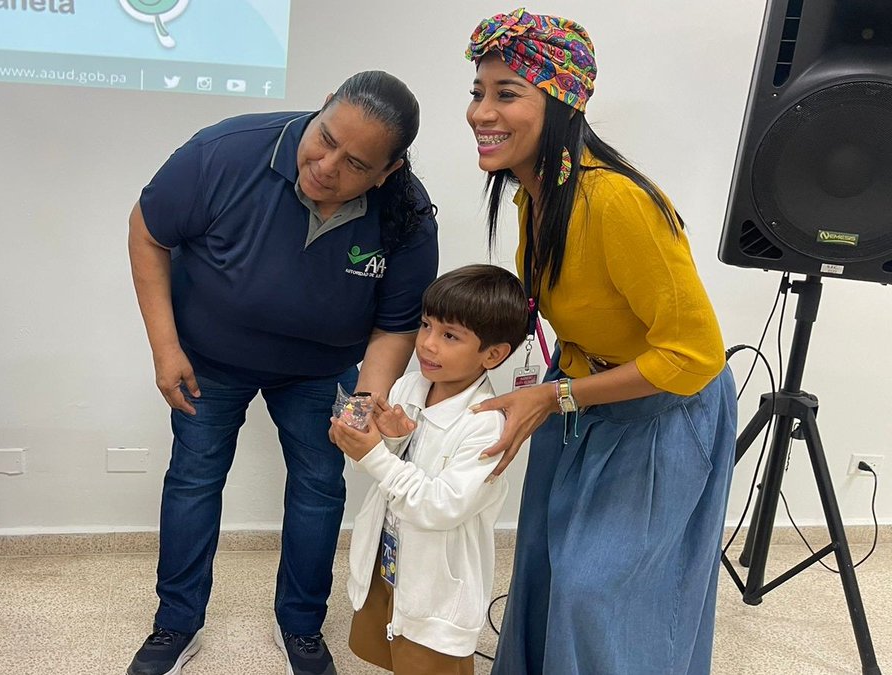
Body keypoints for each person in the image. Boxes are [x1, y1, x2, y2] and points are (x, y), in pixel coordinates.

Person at [127, 71, 440, 675]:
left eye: (354, 164)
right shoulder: (225, 152)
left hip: (320, 369)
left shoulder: (406, 216)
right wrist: (165, 347)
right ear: (322, 106)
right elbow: (147, 230)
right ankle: (177, 622)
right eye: (323, 139)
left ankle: (300, 625)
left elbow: (397, 324)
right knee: (193, 480)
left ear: (387, 172)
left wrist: (365, 403)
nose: (325, 167)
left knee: (321, 487)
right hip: (210, 359)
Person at [458, 9, 738, 674]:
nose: (479, 112)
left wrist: (558, 398)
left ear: (561, 101)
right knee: (545, 564)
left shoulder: (617, 203)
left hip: (661, 407)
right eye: (477, 92)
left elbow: (691, 356)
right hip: (581, 389)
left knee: (596, 590)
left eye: (506, 93)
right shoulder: (534, 193)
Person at [329, 264, 528, 675]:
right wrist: (389, 440)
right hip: (390, 562)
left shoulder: (487, 426)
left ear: (493, 354)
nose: (427, 345)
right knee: (393, 646)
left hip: (438, 583)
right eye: (425, 325)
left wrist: (376, 455)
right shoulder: (408, 387)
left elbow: (440, 506)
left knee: (428, 657)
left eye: (449, 336)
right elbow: (374, 466)